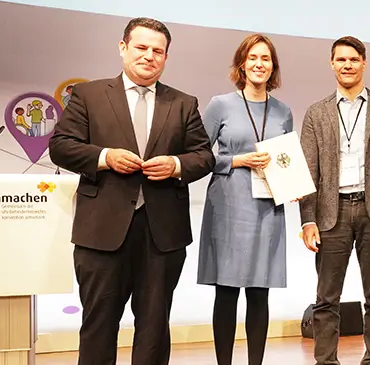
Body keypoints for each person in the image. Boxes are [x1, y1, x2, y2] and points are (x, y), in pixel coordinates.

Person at [48, 17, 214, 364]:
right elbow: (61, 146)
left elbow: (204, 156)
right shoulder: (89, 95)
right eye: (141, 47)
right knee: (98, 323)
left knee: (154, 327)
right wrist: (105, 157)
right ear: (123, 48)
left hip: (162, 234)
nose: (149, 56)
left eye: (158, 51)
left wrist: (176, 165)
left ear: (166, 58)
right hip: (102, 232)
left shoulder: (183, 103)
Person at [299, 35, 370, 365]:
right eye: (341, 60)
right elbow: (307, 172)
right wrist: (307, 220)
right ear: (332, 64)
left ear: (364, 63)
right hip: (330, 214)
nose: (347, 65)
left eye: (353, 59)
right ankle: (326, 361)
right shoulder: (316, 113)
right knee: (326, 298)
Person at [196, 33, 294, 365]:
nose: (258, 64)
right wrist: (236, 160)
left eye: (265, 58)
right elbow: (198, 156)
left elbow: (286, 161)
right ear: (242, 63)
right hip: (227, 207)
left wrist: (291, 184)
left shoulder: (283, 111)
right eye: (252, 57)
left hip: (267, 209)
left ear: (273, 66)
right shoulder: (220, 104)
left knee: (259, 292)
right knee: (225, 292)